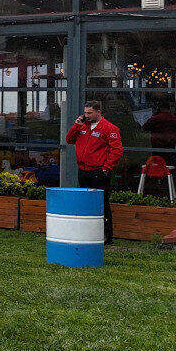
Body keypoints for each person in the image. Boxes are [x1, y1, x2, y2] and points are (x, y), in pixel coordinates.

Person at [66, 100, 124, 245]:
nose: (87, 116)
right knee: (85, 202)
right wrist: (76, 126)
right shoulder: (82, 126)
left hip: (99, 171)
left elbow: (117, 151)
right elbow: (69, 140)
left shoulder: (109, 128)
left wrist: (106, 167)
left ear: (98, 112)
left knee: (102, 203)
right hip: (83, 170)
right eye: (85, 113)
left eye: (90, 113)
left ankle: (106, 236)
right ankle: (87, 233)